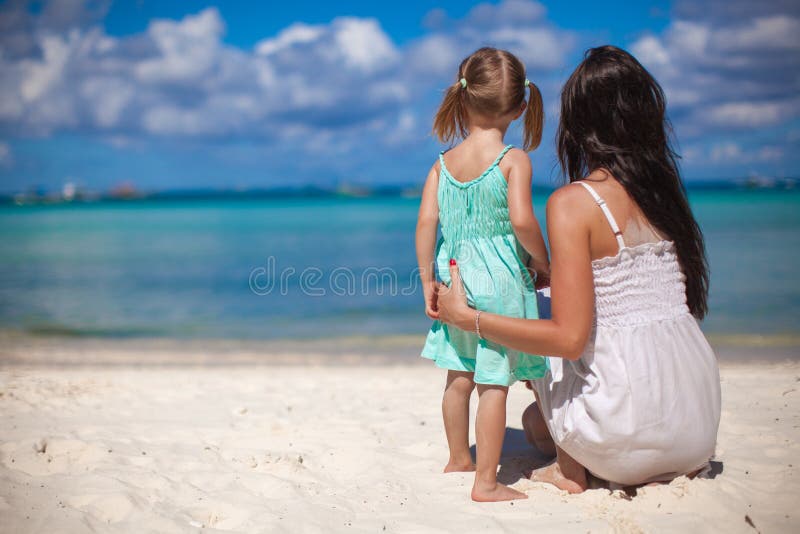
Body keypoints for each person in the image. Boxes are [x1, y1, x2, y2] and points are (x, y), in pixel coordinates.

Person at [435, 45, 721, 494]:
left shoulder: (574, 203)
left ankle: (570, 470)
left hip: (624, 443)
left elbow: (568, 340)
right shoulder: (666, 199)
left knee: (535, 303)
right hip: (697, 430)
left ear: (577, 124)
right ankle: (563, 436)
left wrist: (467, 318)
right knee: (535, 421)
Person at [415, 47, 551, 502]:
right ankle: (487, 483)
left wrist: (426, 282)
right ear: (520, 107)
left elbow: (425, 224)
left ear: (464, 98)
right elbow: (522, 221)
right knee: (494, 383)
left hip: (452, 277)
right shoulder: (513, 160)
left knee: (458, 374)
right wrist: (543, 260)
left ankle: (458, 456)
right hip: (498, 282)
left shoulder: (442, 164)